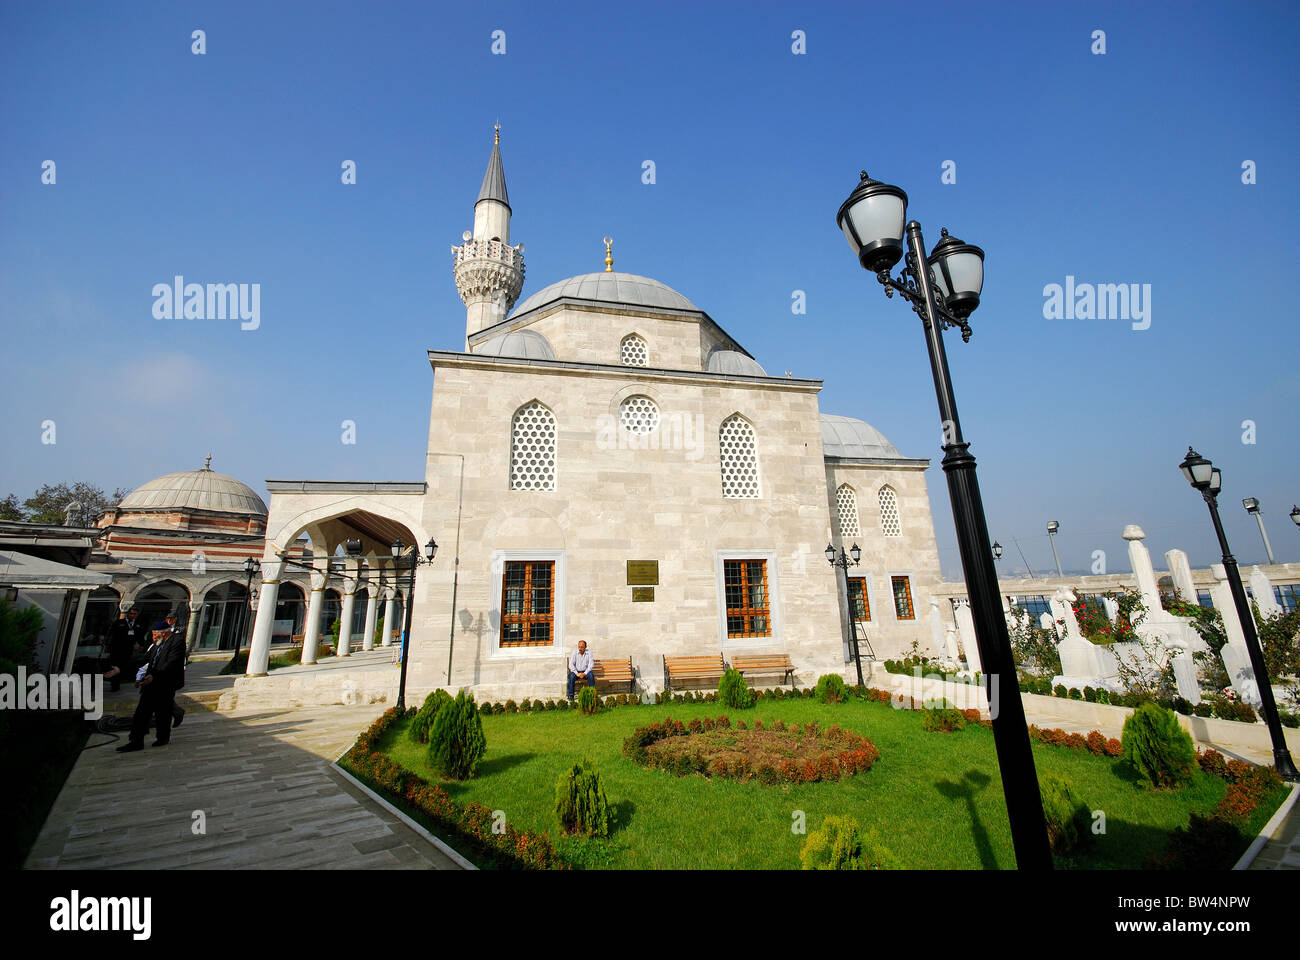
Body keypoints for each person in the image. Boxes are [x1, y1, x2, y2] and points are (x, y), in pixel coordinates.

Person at [116, 620, 186, 752]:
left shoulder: (176, 642)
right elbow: (145, 660)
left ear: (164, 633)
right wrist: (122, 670)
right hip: (151, 684)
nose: (153, 637)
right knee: (141, 713)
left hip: (165, 683)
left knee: (162, 713)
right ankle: (136, 741)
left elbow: (172, 662)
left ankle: (163, 737)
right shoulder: (156, 645)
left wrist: (155, 676)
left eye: (155, 635)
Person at [103, 607, 148, 692]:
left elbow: (140, 636)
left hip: (128, 649)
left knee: (124, 666)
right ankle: (114, 685)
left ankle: (120, 681)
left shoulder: (137, 624)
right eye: (131, 613)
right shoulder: (119, 623)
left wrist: (142, 645)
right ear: (128, 614)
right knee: (116, 667)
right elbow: (112, 634)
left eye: (134, 614)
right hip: (117, 649)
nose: (132, 615)